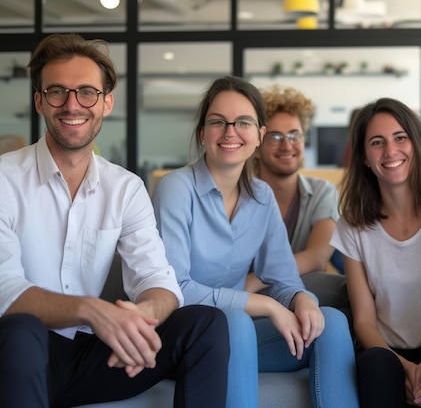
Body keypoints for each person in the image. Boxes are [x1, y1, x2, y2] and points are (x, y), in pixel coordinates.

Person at [0, 33, 229, 408]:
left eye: (87, 92)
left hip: (92, 358)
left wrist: (140, 318)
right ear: (40, 101)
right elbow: (5, 290)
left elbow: (159, 280)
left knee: (205, 323)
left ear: (107, 103)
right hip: (16, 354)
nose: (72, 104)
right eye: (57, 91)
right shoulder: (4, 178)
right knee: (22, 329)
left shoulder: (125, 187)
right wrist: (92, 309)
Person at [152, 76, 359, 408]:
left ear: (259, 135)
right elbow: (175, 289)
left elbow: (283, 278)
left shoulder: (262, 197)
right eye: (218, 122)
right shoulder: (176, 188)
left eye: (243, 122)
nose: (230, 131)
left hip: (237, 337)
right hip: (183, 338)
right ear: (203, 133)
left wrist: (301, 299)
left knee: (331, 322)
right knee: (234, 321)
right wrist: (264, 305)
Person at [330, 97, 421, 408]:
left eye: (400, 138)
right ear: (365, 158)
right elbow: (365, 321)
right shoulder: (352, 225)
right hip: (385, 352)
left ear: (416, 144)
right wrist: (407, 370)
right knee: (378, 367)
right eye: (377, 142)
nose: (390, 151)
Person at [245, 84, 349, 314]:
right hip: (247, 302)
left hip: (294, 292)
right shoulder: (239, 195)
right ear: (257, 143)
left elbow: (317, 257)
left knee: (343, 291)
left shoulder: (323, 192)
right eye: (275, 136)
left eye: (294, 135)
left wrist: (256, 278)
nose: (287, 145)